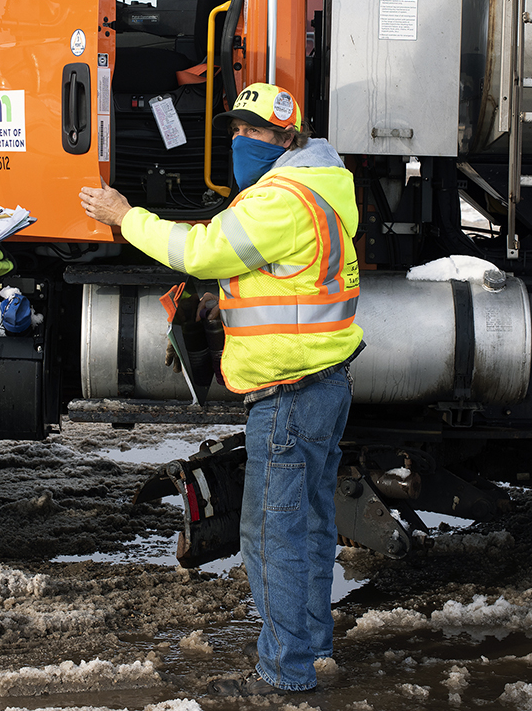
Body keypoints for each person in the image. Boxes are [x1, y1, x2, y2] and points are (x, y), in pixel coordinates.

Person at [79, 82, 363, 696]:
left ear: (288, 139)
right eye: (234, 129)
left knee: (271, 534)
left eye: (254, 131)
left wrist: (126, 217)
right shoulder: (322, 187)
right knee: (309, 527)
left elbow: (202, 249)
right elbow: (281, 273)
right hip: (321, 384)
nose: (240, 141)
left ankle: (283, 676)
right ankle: (308, 651)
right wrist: (226, 300)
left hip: (288, 394)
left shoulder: (282, 199)